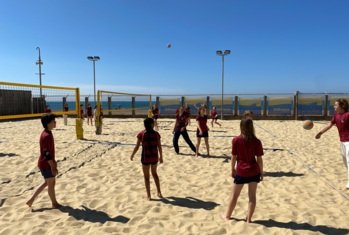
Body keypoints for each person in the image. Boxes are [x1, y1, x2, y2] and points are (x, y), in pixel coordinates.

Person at [224, 118, 264, 223]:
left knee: (234, 195)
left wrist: (232, 169)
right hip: (254, 170)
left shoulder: (236, 140)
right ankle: (249, 219)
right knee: (252, 197)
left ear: (241, 126)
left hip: (241, 171)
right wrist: (261, 172)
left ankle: (227, 216)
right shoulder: (257, 141)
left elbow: (233, 157)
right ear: (252, 127)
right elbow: (259, 160)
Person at [26, 114, 61, 209]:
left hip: (45, 163)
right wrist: (53, 166)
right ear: (48, 123)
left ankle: (31, 200)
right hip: (45, 164)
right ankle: (54, 203)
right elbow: (46, 153)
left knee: (48, 183)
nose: (55, 122)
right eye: (53, 121)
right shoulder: (46, 136)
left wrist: (54, 163)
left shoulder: (47, 132)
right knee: (51, 184)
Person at [315, 98, 349, 190]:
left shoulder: (348, 115)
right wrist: (320, 133)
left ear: (342, 106)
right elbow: (329, 125)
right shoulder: (336, 115)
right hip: (342, 141)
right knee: (345, 162)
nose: (334, 106)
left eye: (336, 105)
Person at [130, 118, 163, 200]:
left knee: (146, 177)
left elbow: (137, 147)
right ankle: (159, 192)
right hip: (154, 156)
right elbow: (159, 146)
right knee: (155, 174)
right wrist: (161, 157)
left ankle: (149, 196)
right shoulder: (156, 134)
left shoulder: (141, 134)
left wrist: (132, 155)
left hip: (145, 157)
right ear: (152, 124)